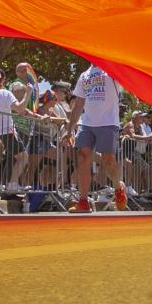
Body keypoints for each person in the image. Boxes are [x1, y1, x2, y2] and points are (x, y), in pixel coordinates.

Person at [63, 63, 126, 212]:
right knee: (82, 157)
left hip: (108, 122)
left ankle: (118, 187)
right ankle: (83, 201)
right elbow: (79, 103)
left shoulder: (113, 69)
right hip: (87, 123)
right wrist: (70, 129)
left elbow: (129, 79)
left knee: (108, 160)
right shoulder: (84, 75)